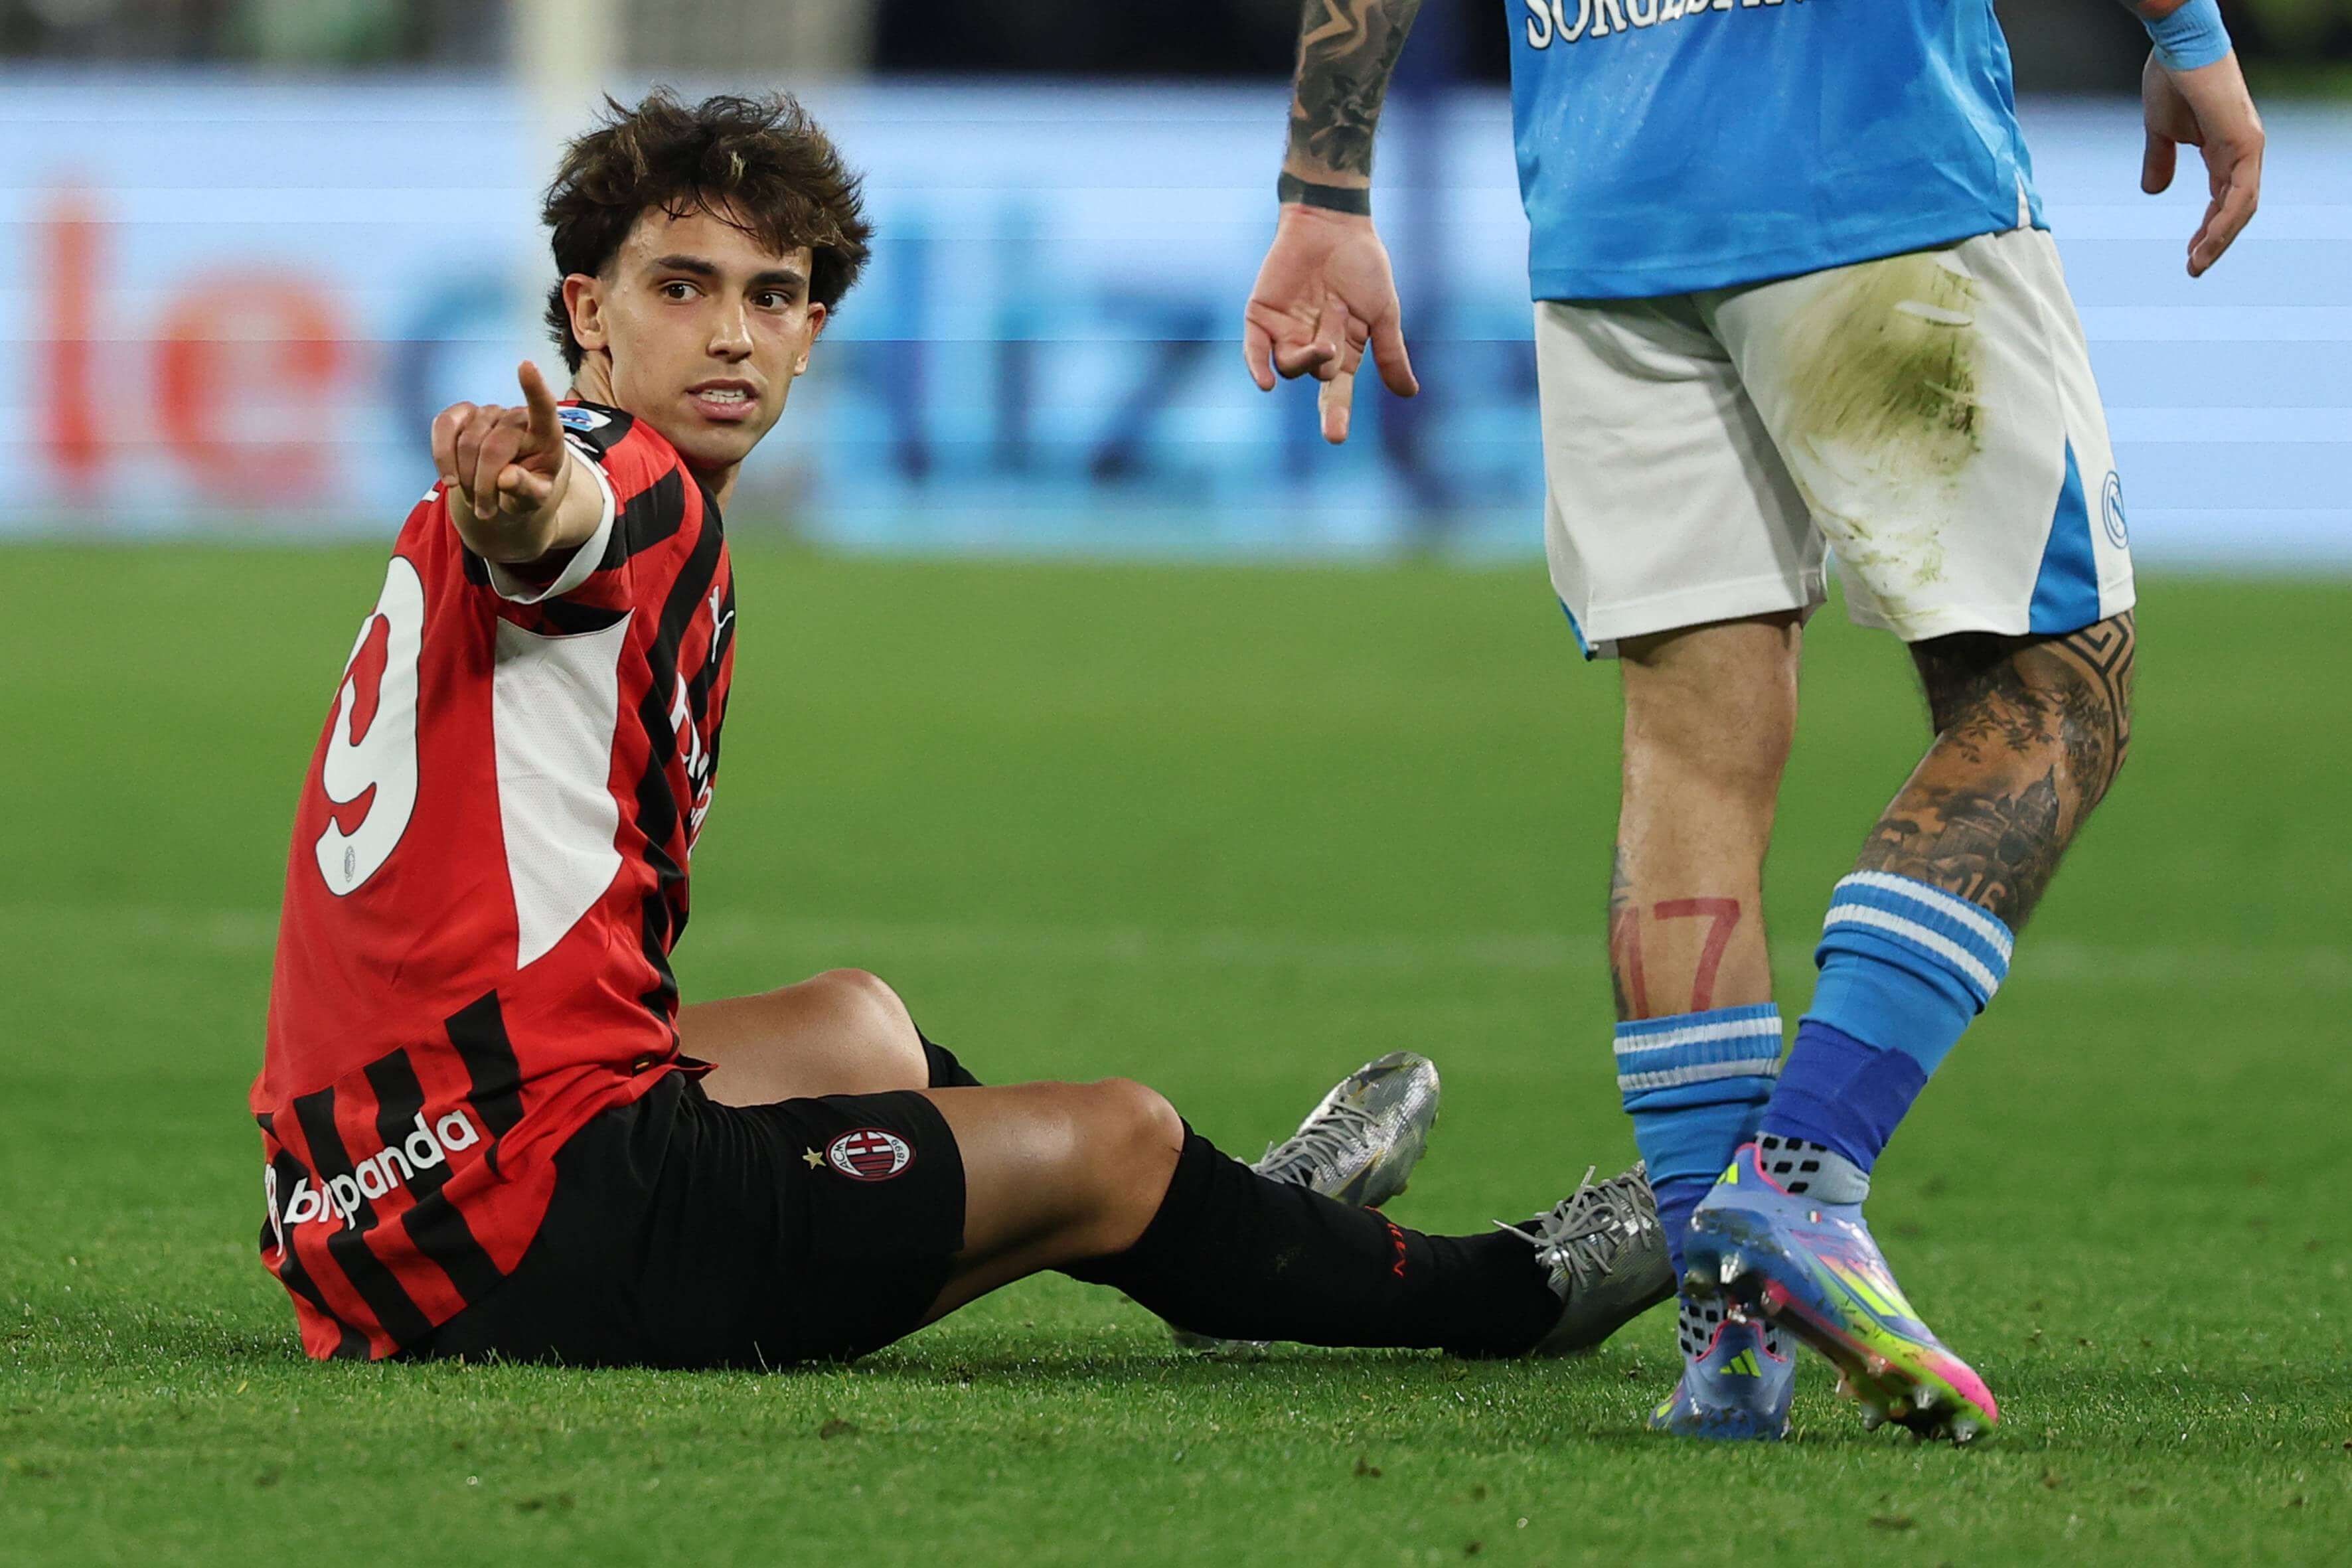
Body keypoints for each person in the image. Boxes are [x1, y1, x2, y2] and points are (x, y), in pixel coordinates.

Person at [249, 88, 1674, 1371]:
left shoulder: (616, 505)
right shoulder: (628, 480)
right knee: (1120, 1140)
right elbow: (564, 520)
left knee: (859, 1024)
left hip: (361, 1196)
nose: (733, 332)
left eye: (775, 294)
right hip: (532, 1223)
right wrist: (523, 500)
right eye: (681, 287)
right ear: (588, 313)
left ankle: (1237, 1230)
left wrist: (511, 510)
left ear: (813, 332)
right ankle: (1515, 1288)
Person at [1241, 1, 2262, 1441]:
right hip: (1863, 167)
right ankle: (1799, 1185)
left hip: (1606, 205)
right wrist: (2192, 36)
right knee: (2053, 684)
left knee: (1686, 742)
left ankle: (1730, 1353)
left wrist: (1321, 189)